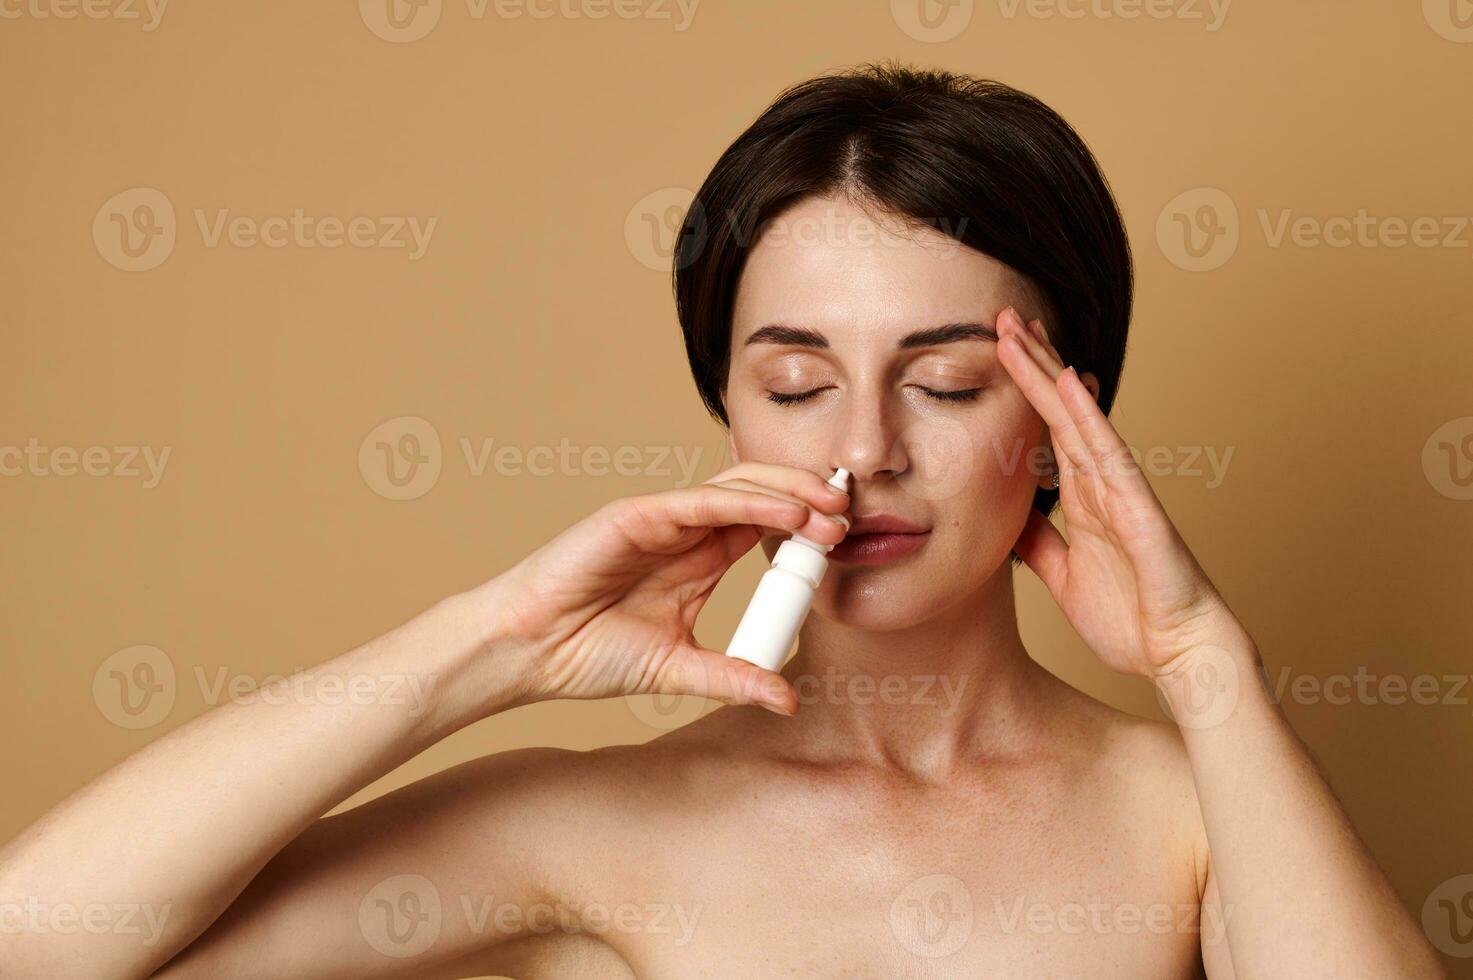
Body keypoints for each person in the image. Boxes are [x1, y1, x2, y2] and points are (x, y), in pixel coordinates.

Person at [0, 62, 1444, 978]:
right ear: (729, 410)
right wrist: (488, 643)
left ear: (1067, 418)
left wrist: (1200, 663)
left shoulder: (1188, 817)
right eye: (797, 382)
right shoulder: (592, 825)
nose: (864, 451)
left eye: (943, 383)